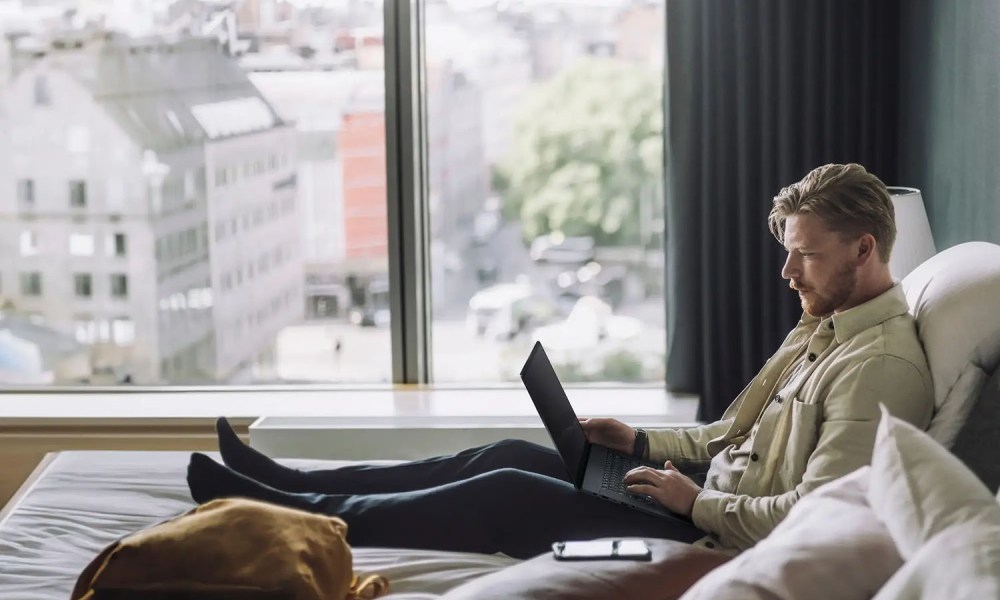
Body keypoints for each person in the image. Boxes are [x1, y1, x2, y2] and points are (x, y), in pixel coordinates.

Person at [187, 163, 933, 558]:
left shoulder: (878, 367)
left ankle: (289, 515)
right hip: (699, 493)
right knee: (511, 449)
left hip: (710, 532)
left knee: (506, 492)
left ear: (865, 250)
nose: (787, 273)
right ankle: (288, 479)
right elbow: (725, 434)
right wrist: (638, 445)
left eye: (804, 254)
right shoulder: (823, 323)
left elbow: (816, 518)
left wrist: (690, 502)